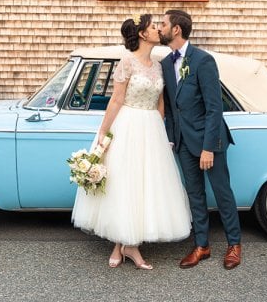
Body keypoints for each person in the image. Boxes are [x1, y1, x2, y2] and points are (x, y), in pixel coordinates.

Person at [72, 14, 191, 270]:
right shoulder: (126, 61)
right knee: (124, 184)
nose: (159, 30)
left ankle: (124, 246)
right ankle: (126, 246)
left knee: (143, 185)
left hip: (150, 129)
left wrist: (160, 134)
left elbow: (160, 104)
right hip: (127, 124)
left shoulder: (159, 65)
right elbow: (116, 99)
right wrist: (103, 133)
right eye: (153, 27)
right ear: (142, 34)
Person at [159, 9, 242, 270]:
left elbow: (214, 108)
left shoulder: (203, 61)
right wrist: (172, 140)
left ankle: (234, 244)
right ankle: (202, 246)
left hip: (209, 142)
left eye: (163, 24)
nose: (160, 28)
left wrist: (209, 148)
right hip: (183, 142)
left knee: (222, 192)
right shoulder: (164, 63)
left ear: (176, 30)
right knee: (194, 195)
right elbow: (172, 108)